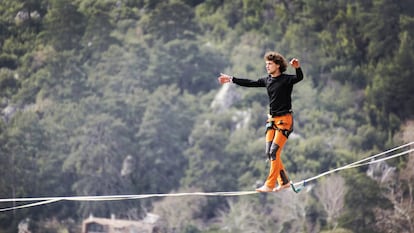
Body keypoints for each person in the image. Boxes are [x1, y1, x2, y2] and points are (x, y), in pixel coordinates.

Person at [217, 51, 303, 192]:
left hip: (284, 121)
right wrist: (231, 79)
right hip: (272, 120)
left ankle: (269, 184)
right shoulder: (267, 80)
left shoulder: (286, 79)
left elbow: (299, 77)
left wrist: (297, 67)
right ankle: (284, 181)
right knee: (269, 152)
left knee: (274, 152)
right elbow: (250, 83)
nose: (267, 66)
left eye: (270, 64)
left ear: (278, 65)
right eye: (266, 64)